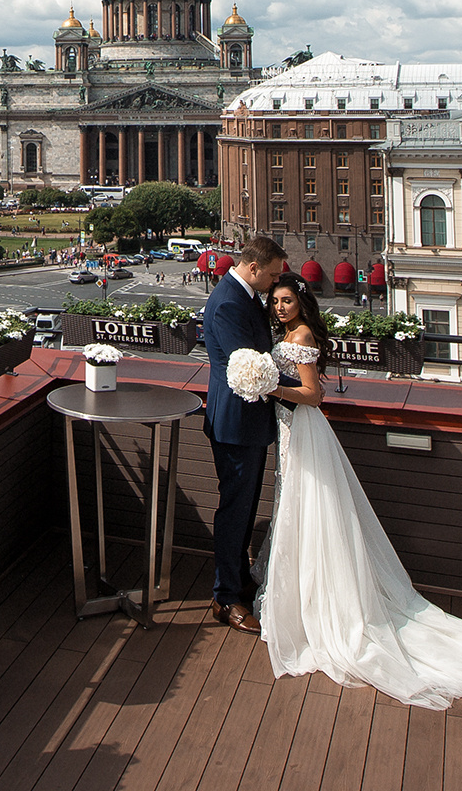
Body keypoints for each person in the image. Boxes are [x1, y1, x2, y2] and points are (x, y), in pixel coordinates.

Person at [254, 273, 462, 707]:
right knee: (303, 509)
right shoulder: (288, 331)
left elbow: (314, 394)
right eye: (275, 301)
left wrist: (271, 387)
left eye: (286, 300)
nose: (280, 308)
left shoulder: (299, 336)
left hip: (304, 428)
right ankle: (306, 596)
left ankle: (318, 607)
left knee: (311, 508)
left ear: (301, 303)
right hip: (294, 429)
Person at [201, 235, 283, 631]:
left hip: (246, 422)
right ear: (253, 268)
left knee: (246, 506)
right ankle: (225, 598)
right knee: (235, 510)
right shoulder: (230, 302)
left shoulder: (243, 294)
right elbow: (247, 366)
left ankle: (237, 580)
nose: (273, 284)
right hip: (235, 422)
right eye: (271, 276)